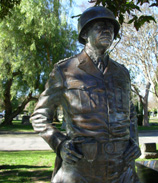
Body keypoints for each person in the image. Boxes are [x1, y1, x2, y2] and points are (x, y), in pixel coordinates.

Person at [30, 6, 141, 183]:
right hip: (80, 170)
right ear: (84, 34)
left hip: (122, 170)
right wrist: (60, 144)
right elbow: (39, 116)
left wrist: (134, 142)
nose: (107, 30)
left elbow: (131, 114)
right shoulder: (65, 70)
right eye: (100, 26)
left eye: (111, 27)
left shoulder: (122, 73)